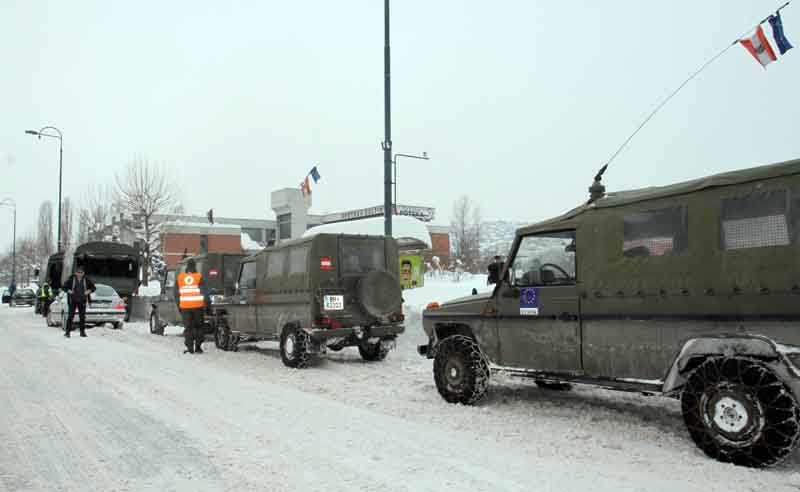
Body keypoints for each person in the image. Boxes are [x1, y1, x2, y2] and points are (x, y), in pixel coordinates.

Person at [175, 258, 207, 354]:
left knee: (188, 328)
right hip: (198, 307)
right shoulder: (199, 277)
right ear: (195, 267)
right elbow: (205, 292)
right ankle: (198, 347)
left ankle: (189, 348)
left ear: (187, 267)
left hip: (185, 307)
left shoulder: (180, 278)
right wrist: (207, 305)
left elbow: (176, 294)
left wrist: (179, 306)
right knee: (199, 327)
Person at [61, 267, 96, 338]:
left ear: (83, 273)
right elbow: (64, 287)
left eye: (81, 273)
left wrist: (88, 291)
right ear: (76, 273)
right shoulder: (71, 279)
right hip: (72, 300)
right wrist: (69, 291)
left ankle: (82, 332)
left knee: (82, 317)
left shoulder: (86, 279)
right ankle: (67, 332)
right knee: (71, 316)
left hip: (82, 300)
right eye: (78, 272)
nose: (80, 274)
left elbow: (93, 288)